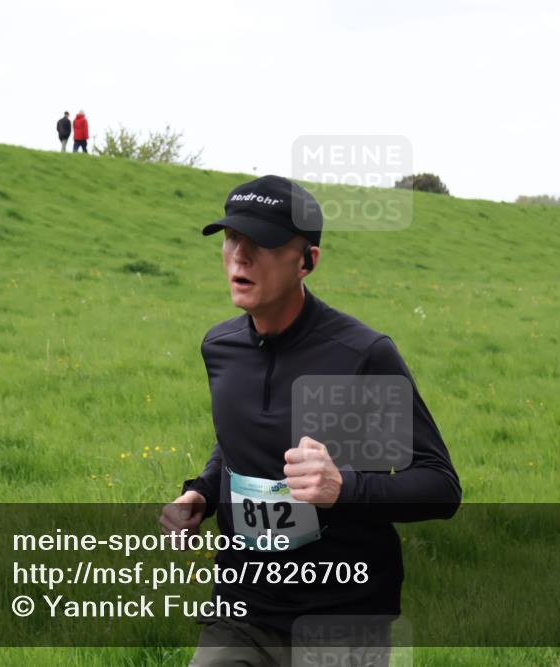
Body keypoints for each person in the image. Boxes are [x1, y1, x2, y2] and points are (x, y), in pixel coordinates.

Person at [159, 175, 462, 667]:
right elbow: (235, 440)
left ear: (308, 262)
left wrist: (343, 488)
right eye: (233, 238)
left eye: (262, 242)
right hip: (242, 609)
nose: (240, 255)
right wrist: (201, 493)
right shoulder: (220, 348)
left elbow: (441, 486)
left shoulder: (362, 355)